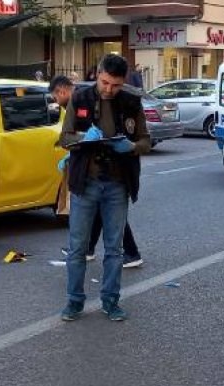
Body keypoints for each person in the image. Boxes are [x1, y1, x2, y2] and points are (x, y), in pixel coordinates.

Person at [59, 54, 150, 322]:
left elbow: (145, 139)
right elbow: (64, 138)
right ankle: (74, 302)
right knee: (77, 248)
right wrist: (81, 138)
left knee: (114, 249)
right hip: (85, 184)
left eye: (116, 85)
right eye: (105, 82)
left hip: (117, 185)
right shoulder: (80, 98)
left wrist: (132, 147)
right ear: (97, 74)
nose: (109, 89)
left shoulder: (132, 102)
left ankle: (111, 301)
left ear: (124, 82)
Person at [49, 75, 144, 269]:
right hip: (92, 166)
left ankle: (130, 253)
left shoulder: (84, 101)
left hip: (106, 168)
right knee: (102, 211)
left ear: (62, 91)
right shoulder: (78, 100)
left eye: (55, 97)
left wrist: (81, 145)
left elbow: (100, 134)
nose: (55, 102)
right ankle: (88, 249)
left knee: (107, 211)